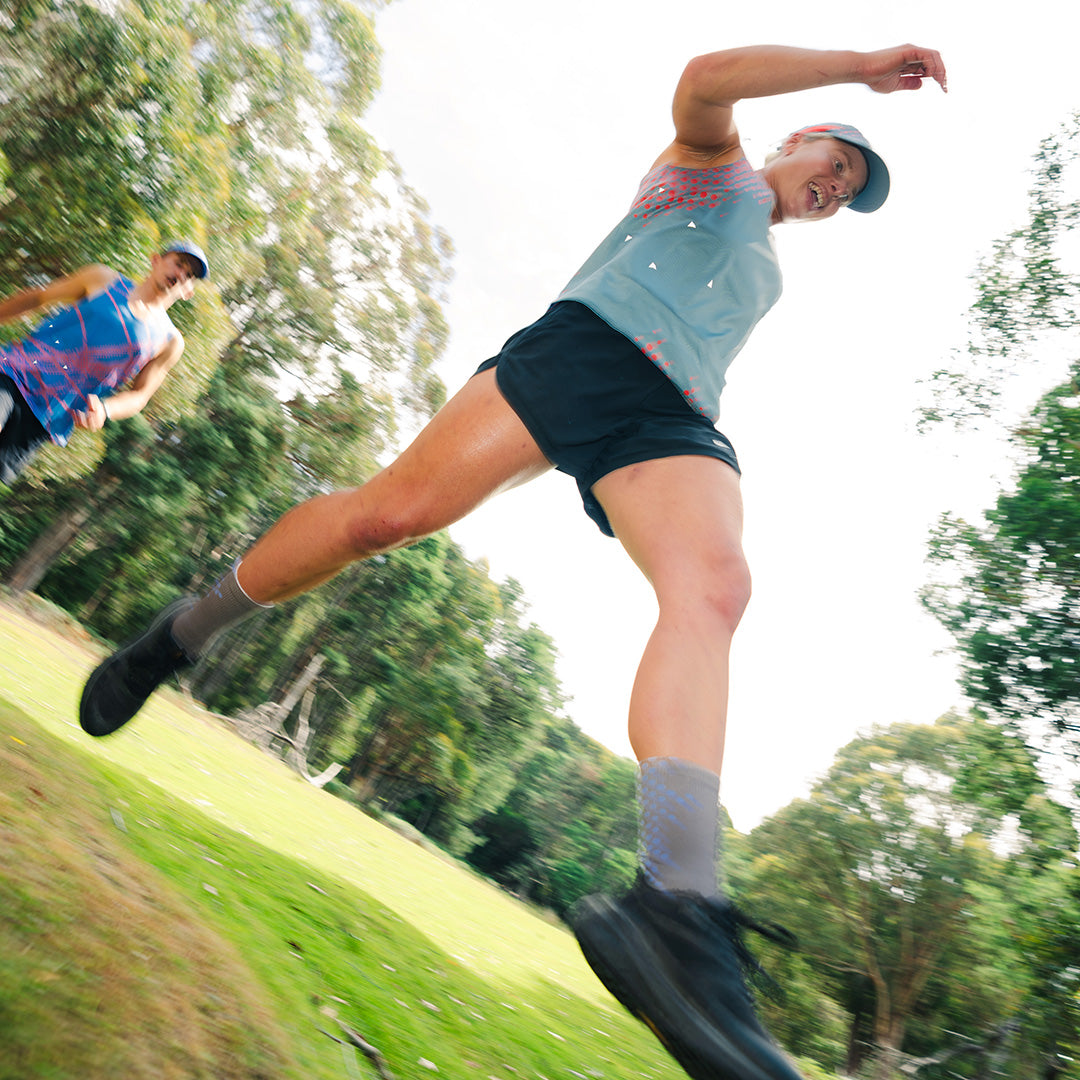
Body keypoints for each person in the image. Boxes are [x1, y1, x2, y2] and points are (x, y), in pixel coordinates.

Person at [79, 45, 946, 1080]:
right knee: (382, 520)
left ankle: (678, 899)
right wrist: (857, 72)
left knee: (717, 587)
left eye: (849, 192)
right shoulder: (708, 166)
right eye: (835, 165)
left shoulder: (771, 268)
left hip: (671, 417)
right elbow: (707, 75)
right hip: (583, 353)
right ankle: (180, 633)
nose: (834, 189)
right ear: (798, 140)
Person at [0, 240, 209, 484]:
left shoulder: (170, 342)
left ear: (188, 292)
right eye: (179, 263)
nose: (181, 274)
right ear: (156, 260)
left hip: (48, 416)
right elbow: (38, 298)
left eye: (189, 275)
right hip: (15, 373)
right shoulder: (103, 279)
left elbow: (140, 395)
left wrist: (105, 410)